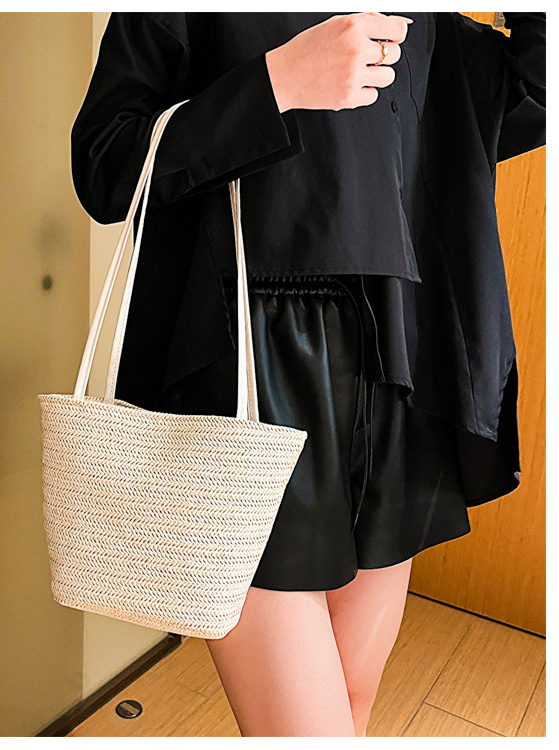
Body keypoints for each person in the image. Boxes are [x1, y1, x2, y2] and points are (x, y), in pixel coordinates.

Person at [70, 12, 546, 737]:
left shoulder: (425, 21)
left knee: (350, 703)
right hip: (248, 363)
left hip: (402, 360)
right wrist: (277, 83)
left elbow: (530, 95)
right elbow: (106, 166)